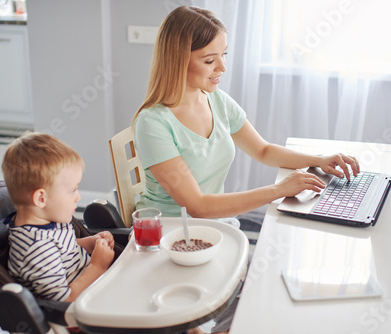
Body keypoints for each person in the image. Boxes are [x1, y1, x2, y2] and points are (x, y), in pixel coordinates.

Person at [133, 6, 360, 221]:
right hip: (165, 233)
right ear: (178, 60)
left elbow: (263, 150)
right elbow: (198, 206)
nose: (222, 67)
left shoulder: (216, 100)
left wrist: (319, 160)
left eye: (224, 54)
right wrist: (279, 190)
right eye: (210, 60)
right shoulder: (153, 123)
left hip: (209, 225)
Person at [2, 132, 116, 302]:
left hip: (95, 287)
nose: (78, 197)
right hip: (82, 308)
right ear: (41, 199)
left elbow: (62, 250)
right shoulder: (36, 249)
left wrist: (90, 244)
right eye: (72, 190)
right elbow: (65, 300)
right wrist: (98, 265)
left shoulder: (49, 220)